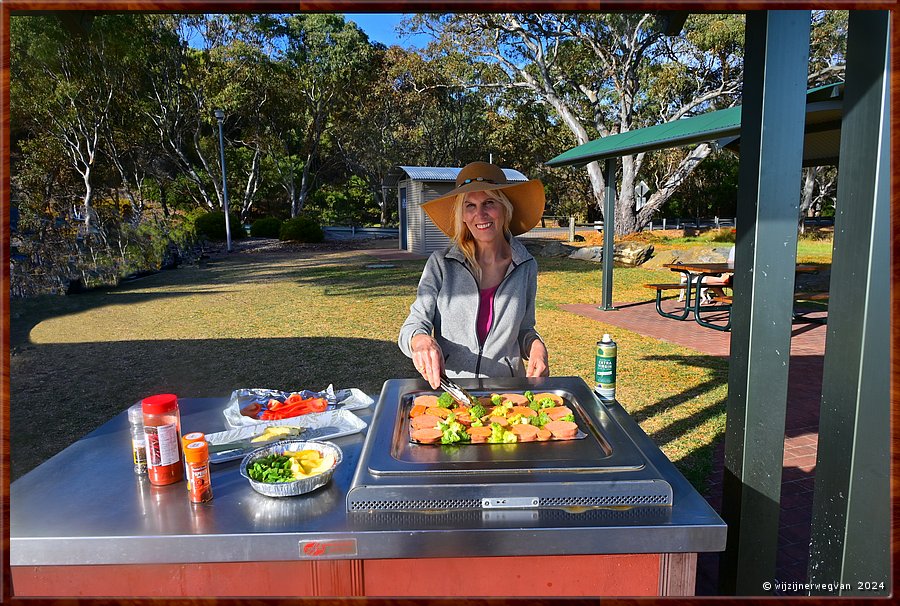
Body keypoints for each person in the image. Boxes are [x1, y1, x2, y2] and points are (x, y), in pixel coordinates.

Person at [398, 161, 550, 389]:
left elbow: (524, 329)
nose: (480, 214)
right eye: (470, 205)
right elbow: (413, 325)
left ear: (505, 208)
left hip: (506, 392)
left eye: (489, 202)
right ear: (462, 215)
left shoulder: (526, 265)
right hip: (451, 391)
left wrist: (536, 346)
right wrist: (420, 341)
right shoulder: (441, 264)